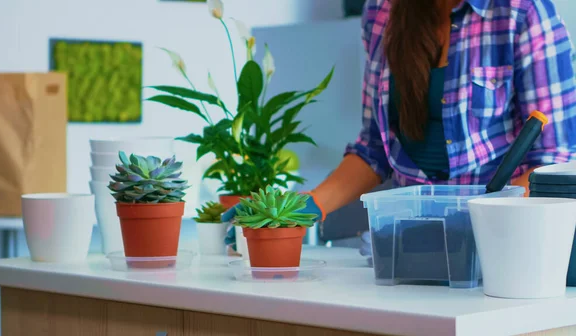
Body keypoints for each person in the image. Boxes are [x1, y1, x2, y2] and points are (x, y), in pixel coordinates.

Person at [222, 0, 576, 257]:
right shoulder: (382, 12)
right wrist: (302, 208)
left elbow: (551, 165)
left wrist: (478, 220)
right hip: (406, 249)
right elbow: (375, 148)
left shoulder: (525, 14)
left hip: (498, 253)